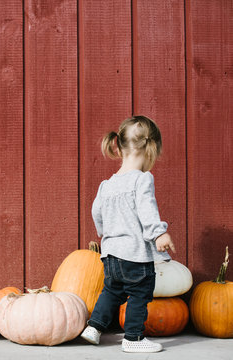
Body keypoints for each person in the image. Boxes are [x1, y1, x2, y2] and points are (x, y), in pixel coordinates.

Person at [80, 115, 176, 353]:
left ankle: (94, 327)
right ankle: (132, 338)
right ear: (151, 149)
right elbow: (147, 210)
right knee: (139, 295)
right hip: (135, 254)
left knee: (111, 291)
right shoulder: (142, 180)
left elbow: (96, 212)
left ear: (118, 147)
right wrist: (158, 234)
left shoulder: (107, 184)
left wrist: (105, 233)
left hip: (111, 254)